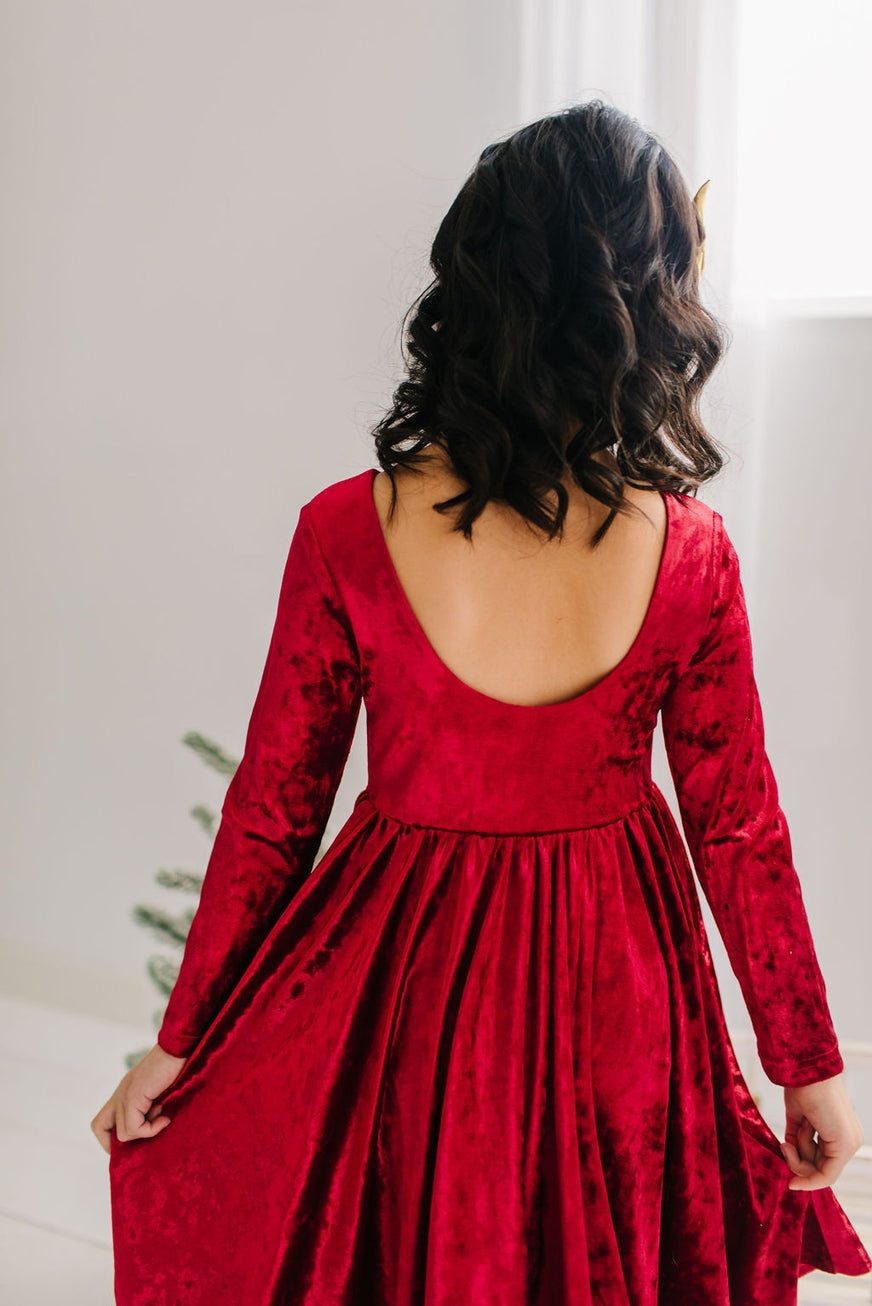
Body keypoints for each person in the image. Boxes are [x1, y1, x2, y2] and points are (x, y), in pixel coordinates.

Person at [93, 100, 870, 1304]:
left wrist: (182, 1042)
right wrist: (804, 1064)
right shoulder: (690, 551)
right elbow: (738, 829)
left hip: (405, 982)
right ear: (644, 304)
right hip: (623, 981)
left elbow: (272, 812)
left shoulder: (349, 529)